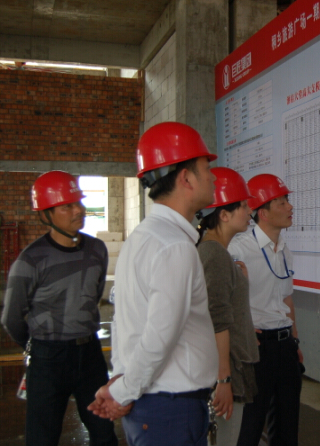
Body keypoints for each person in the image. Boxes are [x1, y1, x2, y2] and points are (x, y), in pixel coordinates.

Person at [87, 122, 220, 446]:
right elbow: (160, 337)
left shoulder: (143, 237)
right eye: (206, 168)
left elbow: (124, 323)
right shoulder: (174, 246)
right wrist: (122, 391)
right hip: (170, 411)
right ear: (186, 178)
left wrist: (121, 383)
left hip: (153, 407)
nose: (214, 177)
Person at [1, 170, 118, 446]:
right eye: (67, 206)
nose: (79, 210)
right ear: (47, 214)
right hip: (47, 359)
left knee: (104, 433)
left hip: (90, 354)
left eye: (79, 202)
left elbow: (93, 296)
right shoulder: (31, 260)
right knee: (42, 437)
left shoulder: (97, 250)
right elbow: (12, 318)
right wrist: (39, 346)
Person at [227, 173, 303, 446]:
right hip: (256, 350)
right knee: (250, 428)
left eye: (287, 200)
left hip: (285, 347)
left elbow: (286, 299)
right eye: (282, 202)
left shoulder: (284, 250)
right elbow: (218, 301)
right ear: (263, 213)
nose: (290, 206)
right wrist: (240, 333)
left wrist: (295, 342)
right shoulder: (239, 249)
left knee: (287, 430)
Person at [196, 167, 260, 446]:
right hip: (226, 368)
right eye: (243, 205)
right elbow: (217, 318)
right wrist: (223, 380)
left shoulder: (217, 253)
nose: (249, 211)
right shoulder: (215, 254)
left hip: (231, 363)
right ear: (223, 215)